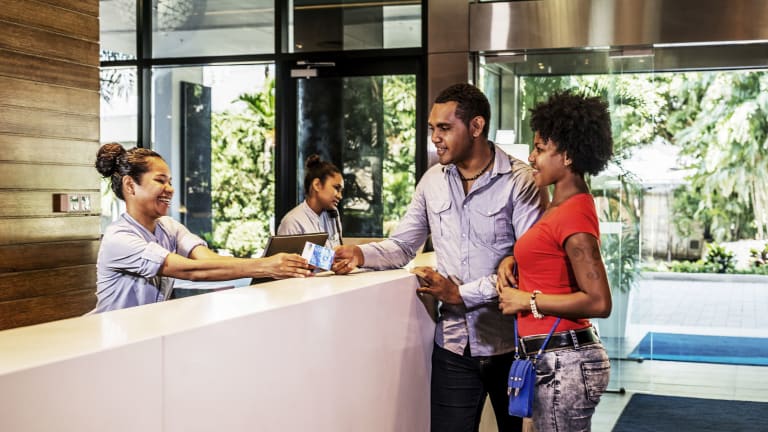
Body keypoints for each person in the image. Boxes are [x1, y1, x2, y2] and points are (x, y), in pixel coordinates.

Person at [333, 83, 547, 432]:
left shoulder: (520, 182)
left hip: (510, 346)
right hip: (452, 348)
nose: (435, 138)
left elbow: (529, 267)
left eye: (444, 128)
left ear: (476, 126)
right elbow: (404, 246)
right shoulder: (432, 181)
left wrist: (460, 294)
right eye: (432, 128)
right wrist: (360, 254)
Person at [497, 91, 613, 432]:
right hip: (552, 360)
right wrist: (513, 260)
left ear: (568, 154)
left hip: (565, 363)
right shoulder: (557, 207)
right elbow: (551, 259)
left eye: (540, 148)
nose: (532, 157)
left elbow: (599, 301)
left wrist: (526, 300)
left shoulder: (574, 212)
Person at [94, 143, 312, 313]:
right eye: (160, 181)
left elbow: (208, 259)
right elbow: (192, 270)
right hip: (114, 340)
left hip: (148, 334)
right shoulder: (119, 238)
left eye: (170, 182)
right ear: (130, 185)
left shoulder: (168, 227)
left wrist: (275, 264)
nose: (170, 189)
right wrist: (266, 266)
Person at [277, 154, 344, 248]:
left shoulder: (333, 214)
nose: (340, 196)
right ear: (317, 185)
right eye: (336, 188)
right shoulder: (292, 222)